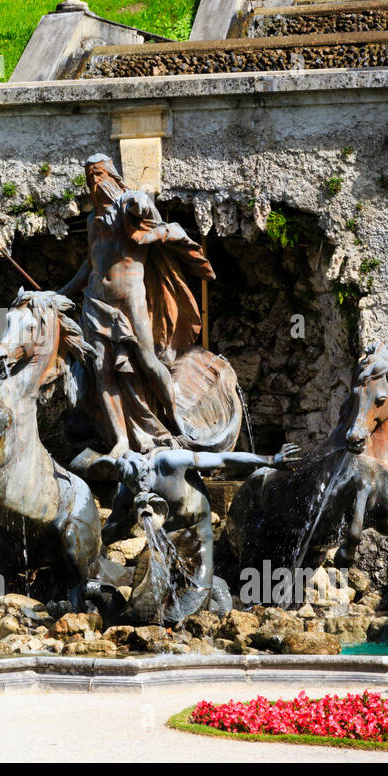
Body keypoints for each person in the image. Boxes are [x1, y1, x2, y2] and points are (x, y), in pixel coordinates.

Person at [59, 155, 215, 455]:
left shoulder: (130, 209)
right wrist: (62, 293)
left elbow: (140, 205)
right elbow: (91, 264)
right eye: (90, 177)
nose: (95, 182)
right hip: (95, 302)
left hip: (130, 301)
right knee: (102, 370)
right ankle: (120, 440)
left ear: (114, 177)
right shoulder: (93, 221)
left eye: (100, 174)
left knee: (147, 361)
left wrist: (136, 202)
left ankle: (176, 421)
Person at [99, 443, 302, 620]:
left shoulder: (170, 462)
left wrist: (271, 459)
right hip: (163, 540)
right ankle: (102, 598)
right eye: (134, 487)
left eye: (145, 484)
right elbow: (109, 535)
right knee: (143, 602)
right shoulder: (127, 489)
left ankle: (215, 588)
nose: (142, 490)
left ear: (148, 470)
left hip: (196, 534)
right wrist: (129, 516)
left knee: (189, 607)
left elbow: (222, 459)